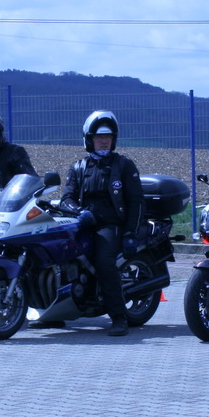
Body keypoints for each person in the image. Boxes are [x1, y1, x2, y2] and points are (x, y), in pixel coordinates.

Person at [61, 110, 143, 337]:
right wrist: (79, 212)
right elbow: (66, 198)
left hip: (110, 226)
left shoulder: (124, 165)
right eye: (99, 137)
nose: (104, 141)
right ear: (89, 139)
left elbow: (136, 201)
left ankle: (119, 317)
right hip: (82, 224)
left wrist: (130, 233)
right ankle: (52, 312)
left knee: (104, 262)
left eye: (108, 137)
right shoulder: (78, 167)